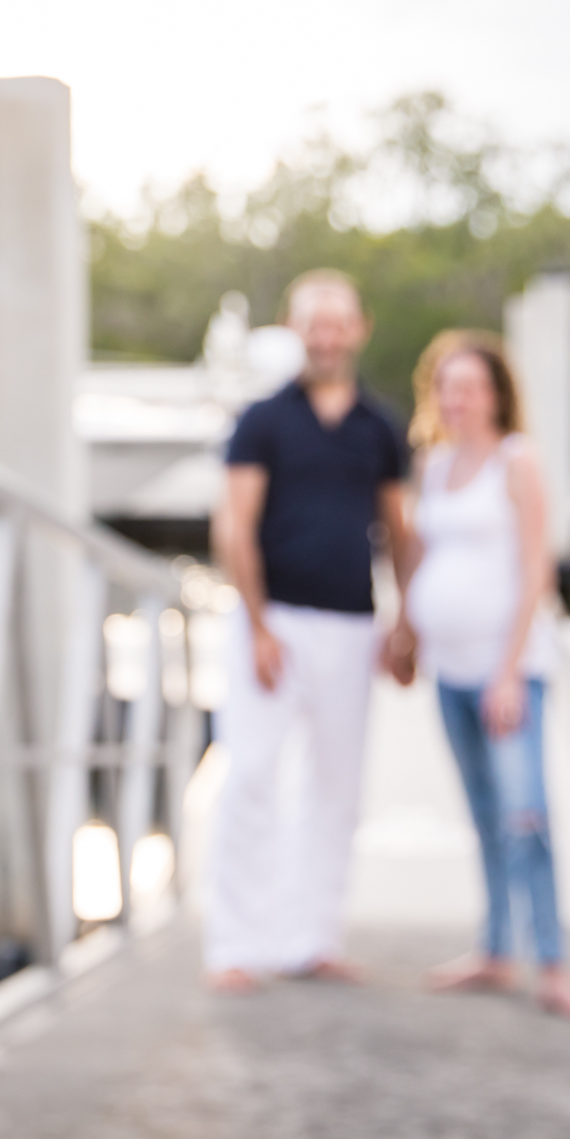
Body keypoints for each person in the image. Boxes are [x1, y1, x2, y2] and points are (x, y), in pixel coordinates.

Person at [204, 270, 413, 993]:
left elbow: (399, 526)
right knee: (252, 776)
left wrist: (405, 620)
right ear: (296, 331)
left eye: (338, 323)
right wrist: (259, 624)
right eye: (313, 323)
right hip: (276, 621)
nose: (326, 336)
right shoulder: (262, 419)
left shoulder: (380, 427)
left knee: (336, 786)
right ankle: (235, 942)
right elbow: (234, 523)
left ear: (359, 330)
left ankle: (312, 937)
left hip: (353, 624)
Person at [401, 329, 570, 1021]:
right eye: (446, 387)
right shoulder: (432, 462)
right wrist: (405, 625)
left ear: (496, 394)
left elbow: (535, 571)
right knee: (484, 815)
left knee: (526, 814)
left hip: (507, 669)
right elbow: (423, 558)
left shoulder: (518, 460)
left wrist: (509, 671)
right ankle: (494, 949)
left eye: (471, 387)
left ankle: (554, 964)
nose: (458, 399)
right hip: (448, 671)